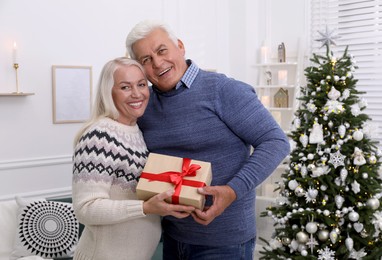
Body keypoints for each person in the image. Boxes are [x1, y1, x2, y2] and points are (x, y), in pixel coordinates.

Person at [125, 20, 290, 259]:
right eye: (145, 60)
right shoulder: (144, 105)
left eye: (162, 51)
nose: (158, 63)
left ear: (180, 46)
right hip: (171, 237)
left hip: (225, 243)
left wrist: (232, 191)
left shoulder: (223, 90)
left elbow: (276, 142)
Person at [71, 57, 195, 260]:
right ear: (109, 92)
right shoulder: (100, 135)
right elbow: (86, 208)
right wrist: (145, 208)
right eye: (125, 87)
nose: (137, 94)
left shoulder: (135, 130)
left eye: (141, 84)